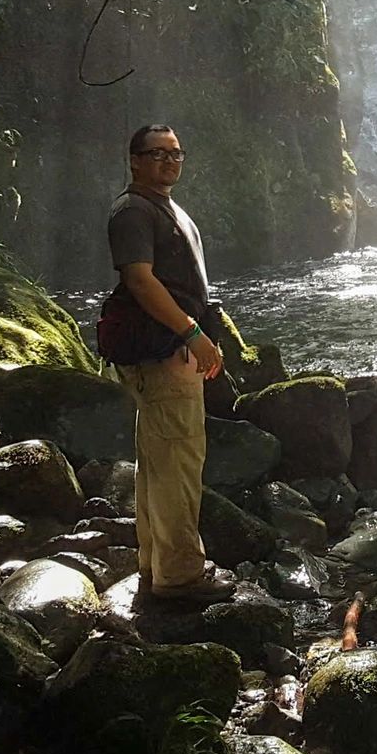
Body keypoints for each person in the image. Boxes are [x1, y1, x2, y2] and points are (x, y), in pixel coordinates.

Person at [106, 123, 234, 603]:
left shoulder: (162, 208)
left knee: (160, 461)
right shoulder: (133, 210)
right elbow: (140, 281)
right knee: (178, 460)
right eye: (157, 154)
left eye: (176, 154)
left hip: (169, 347)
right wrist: (193, 333)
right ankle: (179, 576)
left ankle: (155, 562)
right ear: (134, 159)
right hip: (163, 350)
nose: (168, 161)